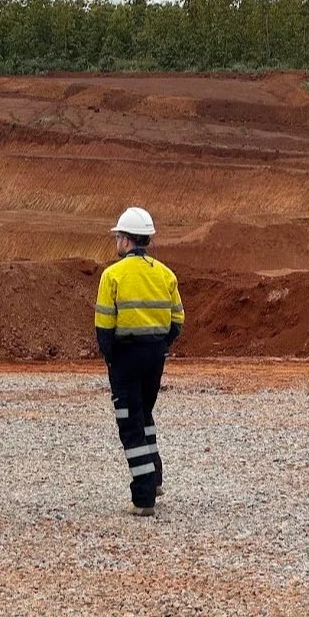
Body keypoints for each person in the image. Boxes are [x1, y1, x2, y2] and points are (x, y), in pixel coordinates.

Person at [95, 207, 184, 516]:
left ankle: (144, 495)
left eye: (118, 236)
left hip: (126, 356)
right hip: (155, 355)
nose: (116, 241)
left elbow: (104, 326)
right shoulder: (165, 274)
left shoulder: (113, 275)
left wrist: (111, 357)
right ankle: (155, 477)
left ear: (127, 240)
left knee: (130, 424)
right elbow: (178, 320)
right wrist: (160, 345)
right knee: (144, 414)